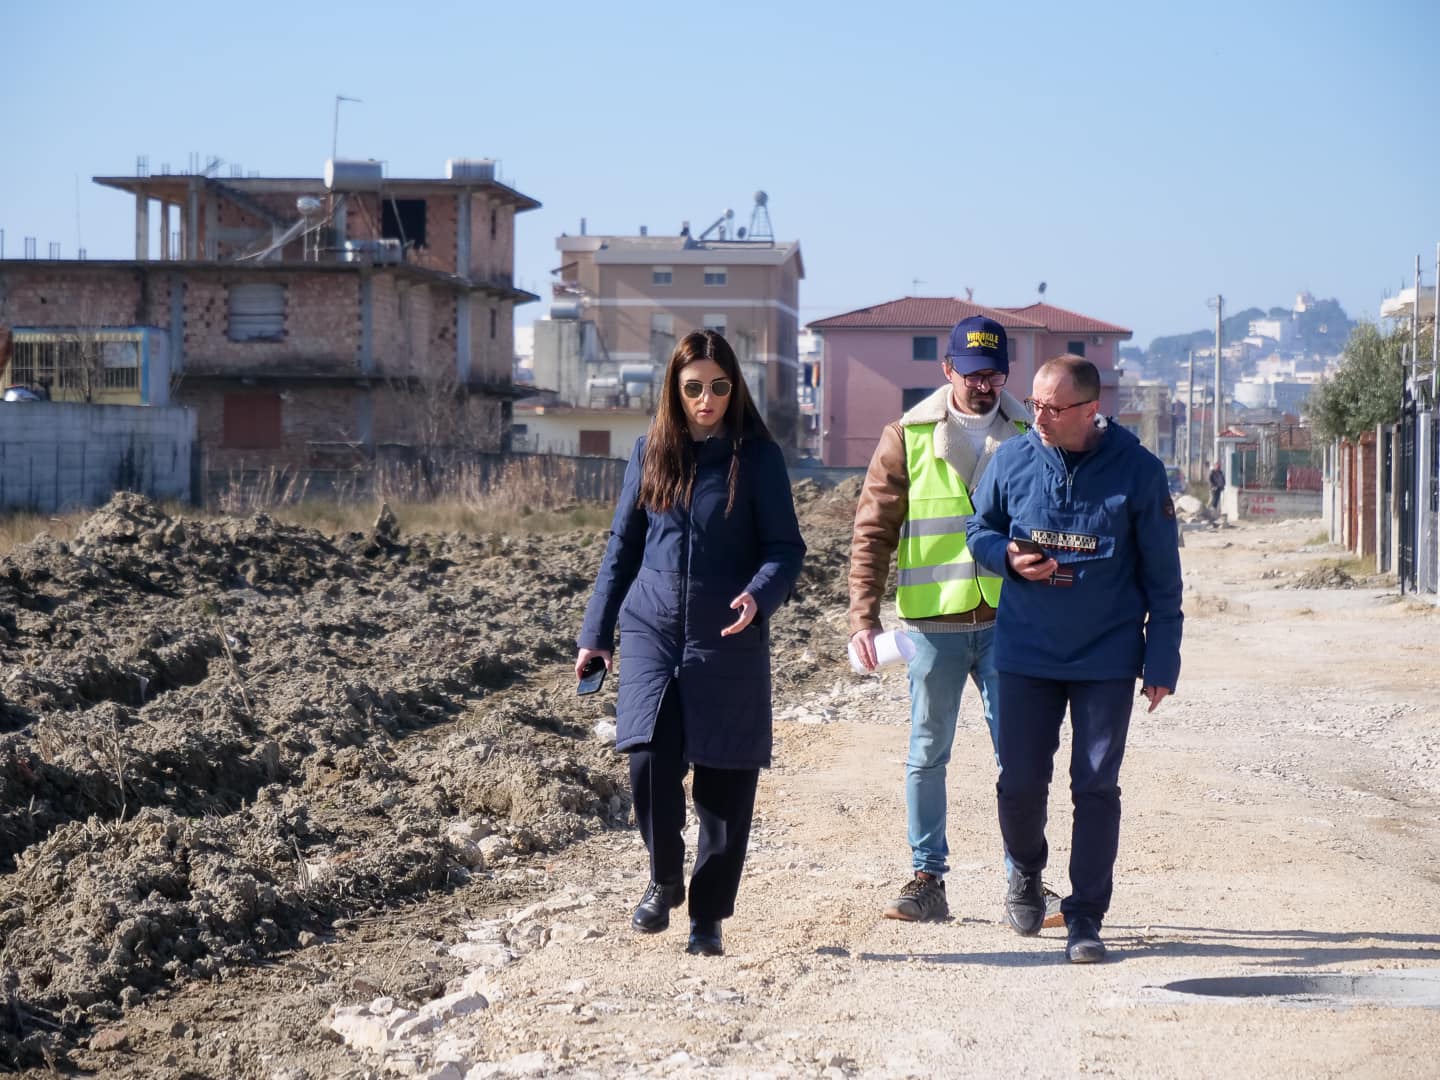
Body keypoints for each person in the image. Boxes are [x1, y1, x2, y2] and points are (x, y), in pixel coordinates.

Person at [576, 330, 805, 958]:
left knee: (725, 780)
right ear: (675, 391)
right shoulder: (650, 451)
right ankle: (664, 877)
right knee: (648, 756)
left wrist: (759, 594)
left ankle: (708, 917)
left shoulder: (758, 459)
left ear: (735, 388)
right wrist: (596, 634)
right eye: (694, 387)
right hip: (651, 626)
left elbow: (786, 549)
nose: (707, 399)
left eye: (719, 386)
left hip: (727, 628)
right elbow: (622, 548)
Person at [966, 355, 1183, 963]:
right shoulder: (1011, 460)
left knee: (1095, 786)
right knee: (1019, 782)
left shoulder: (1139, 472)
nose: (1039, 417)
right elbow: (978, 528)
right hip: (1025, 652)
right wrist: (1007, 557)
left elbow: (1164, 577)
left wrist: (1161, 661)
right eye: (1035, 403)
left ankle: (1085, 915)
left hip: (1105, 657)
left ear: (1091, 410)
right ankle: (1026, 870)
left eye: (1054, 408)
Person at [848, 315, 1055, 924]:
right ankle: (927, 879)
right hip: (933, 623)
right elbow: (872, 532)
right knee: (926, 753)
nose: (983, 385)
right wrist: (862, 615)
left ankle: (1025, 880)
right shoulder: (906, 435)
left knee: (1019, 758)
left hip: (1011, 622)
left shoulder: (1031, 433)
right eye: (972, 374)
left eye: (994, 374)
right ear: (948, 371)